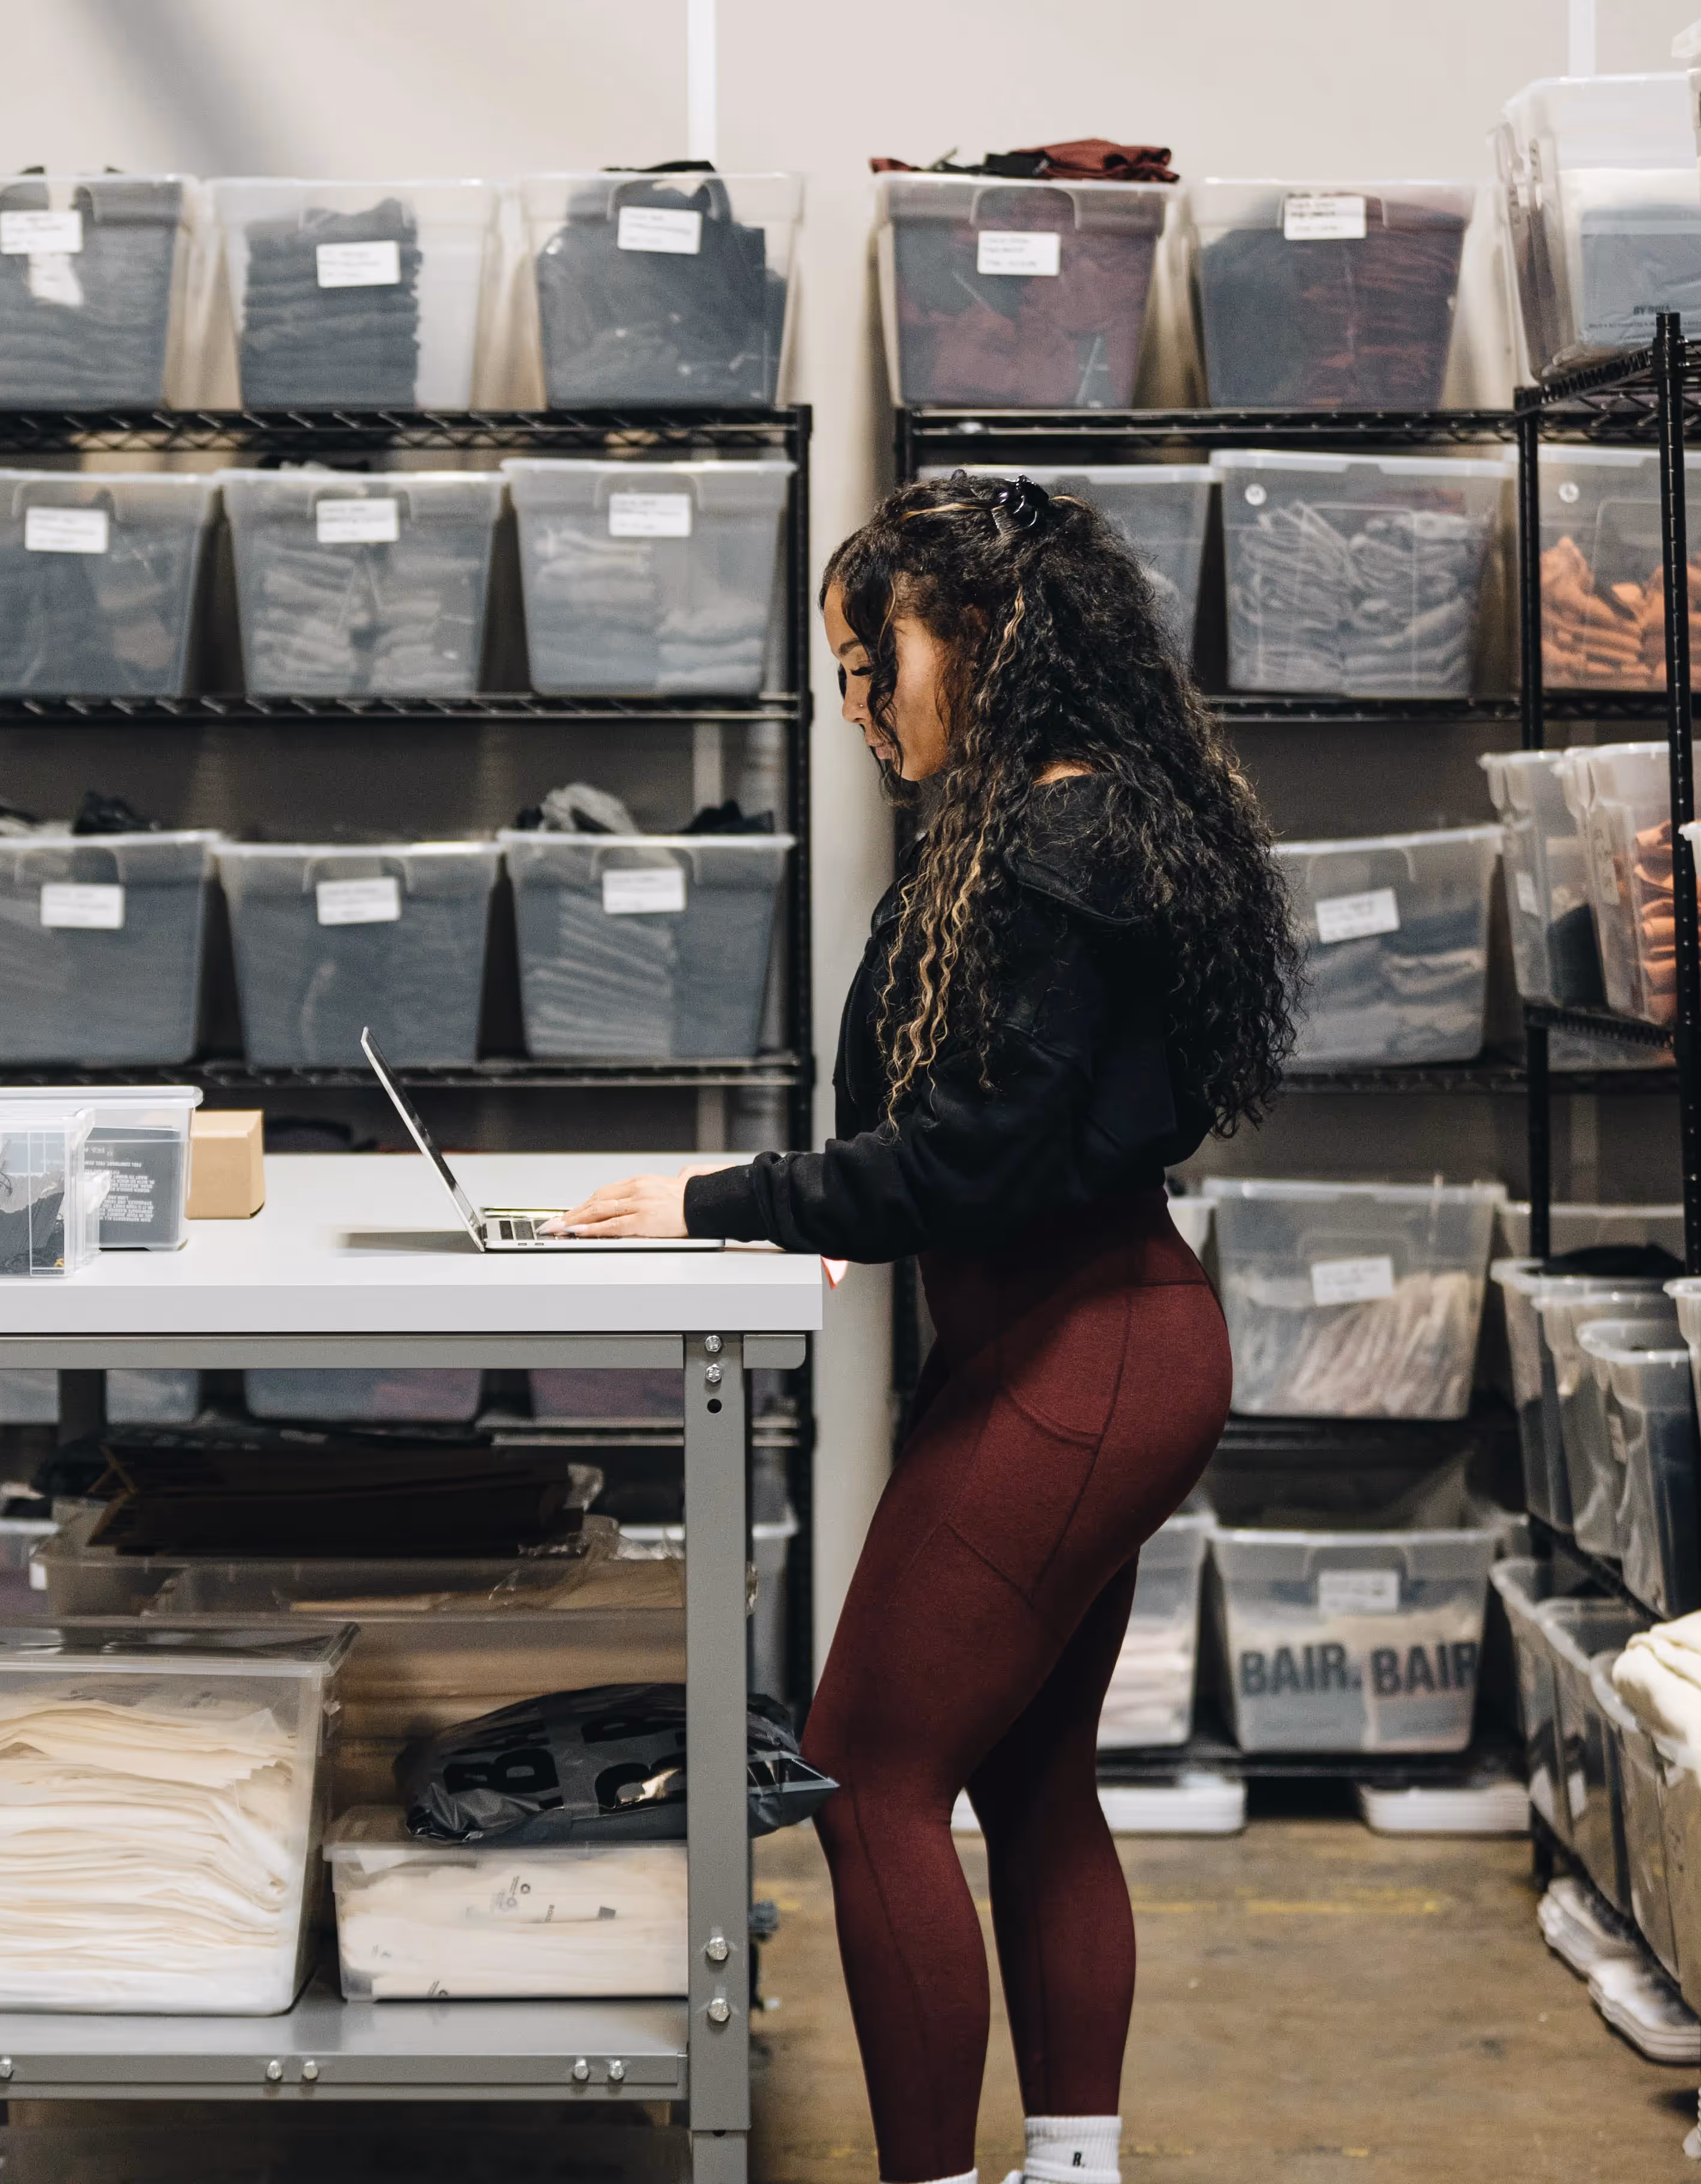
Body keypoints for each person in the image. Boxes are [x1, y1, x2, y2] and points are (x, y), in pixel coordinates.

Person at [558, 474, 1301, 2184]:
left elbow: (972, 1156)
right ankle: (1073, 2168)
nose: (854, 704)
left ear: (975, 635)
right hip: (1083, 1341)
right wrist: (826, 1213)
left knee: (867, 1767)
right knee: (1032, 1777)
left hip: (1082, 1360)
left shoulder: (1052, 843)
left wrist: (722, 1200)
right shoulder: (1063, 815)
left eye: (868, 660)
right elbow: (987, 1137)